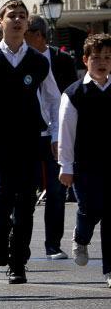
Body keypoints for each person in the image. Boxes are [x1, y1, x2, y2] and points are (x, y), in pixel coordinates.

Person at [0, 0, 61, 284]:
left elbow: (54, 100)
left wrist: (56, 136)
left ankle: (18, 262)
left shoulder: (38, 61)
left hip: (31, 139)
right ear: (1, 22)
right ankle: (0, 233)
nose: (18, 20)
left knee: (26, 201)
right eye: (12, 16)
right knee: (3, 196)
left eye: (22, 16)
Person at [56, 33, 111, 289]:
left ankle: (109, 270)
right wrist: (65, 166)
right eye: (97, 58)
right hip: (85, 165)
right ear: (85, 60)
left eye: (108, 58)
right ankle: (81, 236)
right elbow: (66, 133)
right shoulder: (74, 94)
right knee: (90, 209)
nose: (102, 63)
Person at [25, 15, 78, 260]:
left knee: (56, 191)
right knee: (24, 191)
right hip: (28, 134)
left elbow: (72, 95)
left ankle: (53, 245)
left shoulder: (62, 60)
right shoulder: (19, 59)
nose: (22, 38)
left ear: (38, 35)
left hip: (57, 133)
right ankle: (18, 244)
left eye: (27, 33)